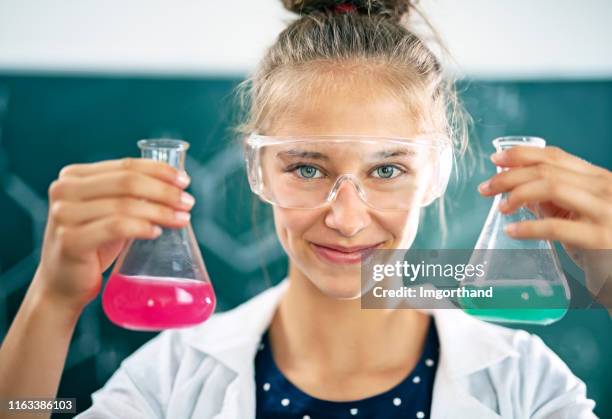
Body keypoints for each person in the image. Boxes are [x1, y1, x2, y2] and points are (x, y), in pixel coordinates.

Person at [1, 0, 611, 418]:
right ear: (257, 168)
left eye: (388, 169)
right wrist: (51, 303)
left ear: (437, 173)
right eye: (307, 167)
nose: (346, 218)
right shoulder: (171, 378)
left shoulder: (524, 384)